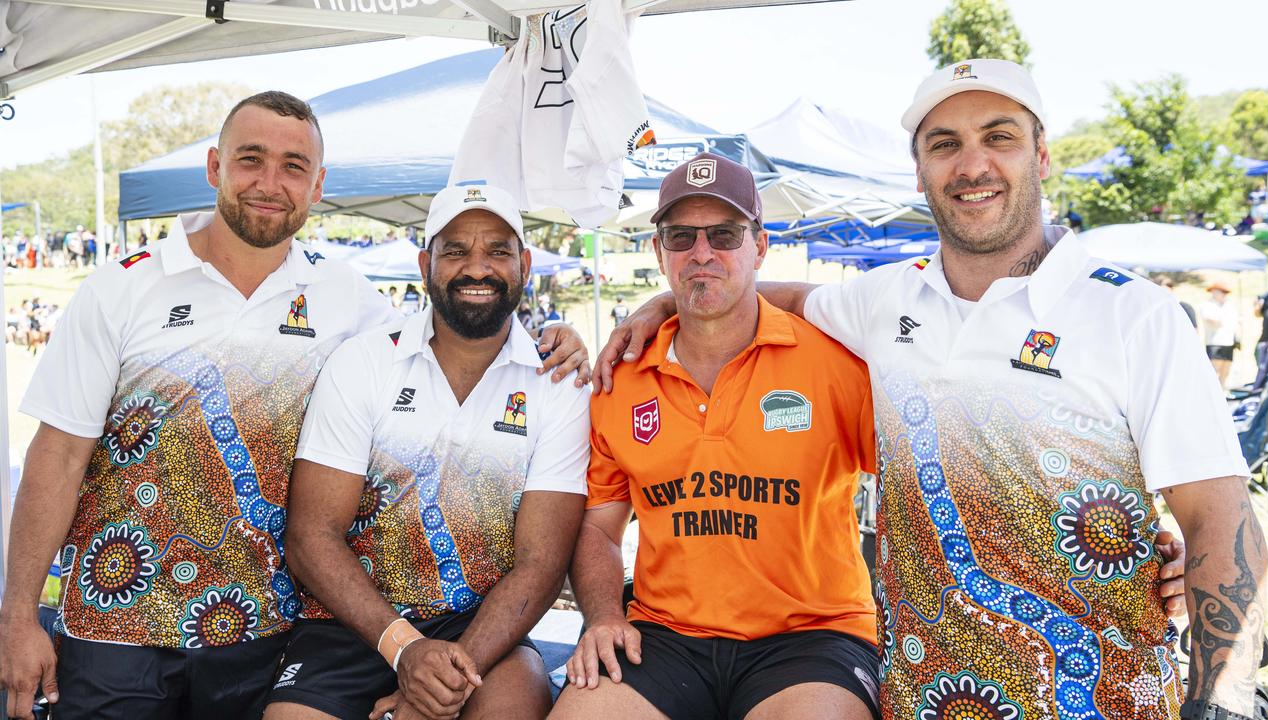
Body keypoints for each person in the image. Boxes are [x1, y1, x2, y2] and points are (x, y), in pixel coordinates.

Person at [595, 59, 1263, 720]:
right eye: (945, 145)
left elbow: (1219, 516)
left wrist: (1219, 705)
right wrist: (660, 306)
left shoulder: (1133, 315)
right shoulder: (887, 300)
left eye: (998, 136)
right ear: (920, 172)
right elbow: (759, 292)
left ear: (1043, 156)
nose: (971, 164)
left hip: (1100, 697)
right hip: (929, 692)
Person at [0, 91, 589, 720]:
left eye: (293, 166)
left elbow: (456, 332)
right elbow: (57, 457)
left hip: (263, 633)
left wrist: (577, 335)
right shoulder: (121, 285)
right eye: (250, 159)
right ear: (214, 167)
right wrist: (17, 617)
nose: (270, 183)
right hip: (116, 625)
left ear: (317, 186)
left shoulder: (347, 298)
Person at [552, 153, 881, 720]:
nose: (701, 253)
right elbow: (600, 530)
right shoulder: (619, 377)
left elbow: (913, 493)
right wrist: (604, 615)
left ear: (759, 245)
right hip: (663, 636)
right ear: (659, 252)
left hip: (812, 636)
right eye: (682, 237)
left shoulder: (836, 361)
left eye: (724, 235)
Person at [264, 184, 589, 720]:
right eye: (455, 250)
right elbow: (311, 535)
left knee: (514, 703)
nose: (477, 268)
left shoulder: (559, 383)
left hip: (481, 628)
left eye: (498, 250)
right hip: (352, 623)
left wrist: (447, 677)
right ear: (425, 263)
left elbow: (541, 564)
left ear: (525, 264)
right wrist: (406, 649)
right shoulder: (364, 362)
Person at [1201, 282, 1237, 387]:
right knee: (1213, 370)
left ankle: (1223, 391)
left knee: (1225, 370)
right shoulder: (1207, 305)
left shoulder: (1229, 305)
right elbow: (1213, 320)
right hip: (1214, 342)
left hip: (1228, 342)